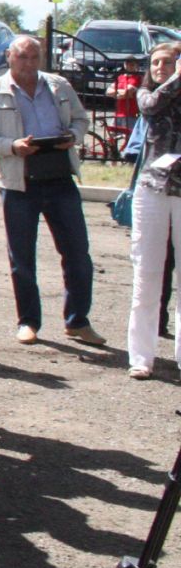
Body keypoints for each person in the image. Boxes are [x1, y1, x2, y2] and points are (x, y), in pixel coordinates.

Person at [0, 34, 104, 346]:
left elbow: (80, 119)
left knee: (77, 254)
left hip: (60, 178)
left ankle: (77, 321)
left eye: (34, 57)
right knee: (22, 257)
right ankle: (28, 321)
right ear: (8, 56)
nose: (29, 64)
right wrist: (12, 146)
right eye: (22, 57)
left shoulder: (58, 85)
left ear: (42, 57)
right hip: (20, 184)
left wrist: (72, 135)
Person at [128, 42, 181, 377]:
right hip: (152, 190)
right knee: (147, 274)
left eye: (168, 62)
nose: (160, 67)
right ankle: (141, 357)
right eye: (156, 62)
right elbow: (151, 107)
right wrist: (176, 78)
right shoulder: (146, 91)